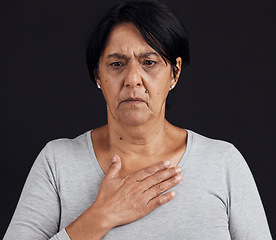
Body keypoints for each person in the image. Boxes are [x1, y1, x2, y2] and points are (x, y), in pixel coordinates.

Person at [4, 1, 272, 239]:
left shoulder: (223, 163)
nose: (133, 79)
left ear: (174, 73)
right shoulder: (57, 163)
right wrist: (102, 216)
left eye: (149, 62)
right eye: (117, 64)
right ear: (98, 75)